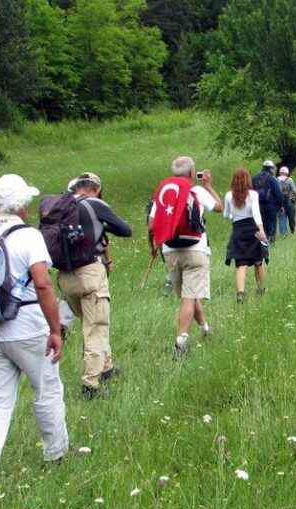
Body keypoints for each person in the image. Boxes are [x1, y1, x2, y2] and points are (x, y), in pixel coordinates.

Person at [0, 174, 69, 504]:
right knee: (46, 388)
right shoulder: (28, 236)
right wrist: (55, 328)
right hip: (28, 325)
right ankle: (57, 455)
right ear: (21, 206)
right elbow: (43, 284)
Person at [56, 172, 132, 399]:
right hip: (90, 272)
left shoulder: (61, 205)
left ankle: (106, 368)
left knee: (92, 322)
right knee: (96, 328)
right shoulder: (95, 204)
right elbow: (126, 230)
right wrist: (103, 225)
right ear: (96, 189)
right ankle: (90, 385)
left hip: (65, 276)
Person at [149, 156, 223, 355]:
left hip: (170, 251)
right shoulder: (196, 190)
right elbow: (219, 207)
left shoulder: (165, 192)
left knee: (187, 295)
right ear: (192, 173)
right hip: (195, 250)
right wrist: (208, 185)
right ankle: (182, 340)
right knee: (189, 297)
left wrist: (154, 246)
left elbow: (151, 223)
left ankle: (206, 329)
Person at [224, 167, 268, 302]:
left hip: (238, 230)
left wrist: (234, 216)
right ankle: (261, 289)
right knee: (258, 262)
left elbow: (226, 215)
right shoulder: (253, 195)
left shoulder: (228, 195)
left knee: (241, 265)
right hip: (252, 229)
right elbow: (256, 213)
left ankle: (241, 293)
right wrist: (261, 229)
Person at [252, 160, 284, 244]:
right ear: (271, 168)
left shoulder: (255, 178)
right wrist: (280, 205)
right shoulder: (272, 178)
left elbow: (250, 191)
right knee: (272, 224)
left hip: (258, 205)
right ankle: (271, 243)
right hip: (271, 205)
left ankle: (262, 242)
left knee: (261, 223)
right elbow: (278, 193)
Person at [276, 166, 296, 236]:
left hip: (280, 202)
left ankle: (284, 235)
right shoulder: (289, 180)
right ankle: (294, 233)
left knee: (282, 219)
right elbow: (294, 190)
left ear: (280, 173)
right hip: (290, 201)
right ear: (287, 173)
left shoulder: (276, 180)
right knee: (292, 218)